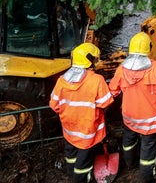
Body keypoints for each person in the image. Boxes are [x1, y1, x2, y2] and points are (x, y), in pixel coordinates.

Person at [108, 32, 156, 182]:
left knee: (128, 142)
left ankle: (130, 164)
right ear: (149, 48)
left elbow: (112, 91)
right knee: (148, 148)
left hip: (130, 118)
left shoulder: (121, 69)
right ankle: (147, 176)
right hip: (151, 120)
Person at [49, 43, 114, 183]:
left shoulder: (62, 80)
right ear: (90, 60)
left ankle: (71, 172)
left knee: (71, 154)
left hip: (69, 129)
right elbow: (106, 103)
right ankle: (80, 179)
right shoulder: (97, 80)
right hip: (87, 131)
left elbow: (54, 105)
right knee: (83, 162)